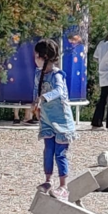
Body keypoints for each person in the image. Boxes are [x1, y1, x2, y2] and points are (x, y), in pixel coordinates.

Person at [33, 39, 77, 200]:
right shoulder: (38, 73)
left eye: (36, 55)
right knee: (48, 150)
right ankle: (48, 180)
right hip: (47, 119)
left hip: (62, 121)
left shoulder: (57, 75)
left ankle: (64, 186)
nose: (35, 59)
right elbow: (35, 91)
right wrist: (36, 106)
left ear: (44, 56)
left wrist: (44, 97)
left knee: (60, 153)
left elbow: (59, 90)